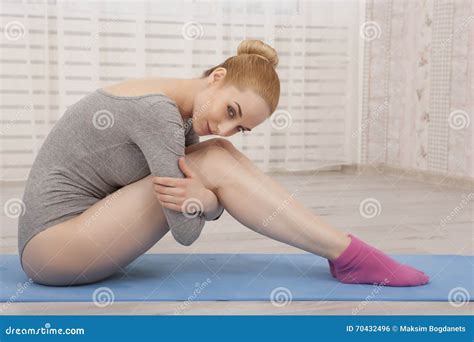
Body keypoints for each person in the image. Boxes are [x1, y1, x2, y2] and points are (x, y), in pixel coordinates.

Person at [18, 39, 429, 287]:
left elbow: (200, 196)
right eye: (232, 110)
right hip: (54, 250)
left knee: (219, 156)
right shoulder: (157, 113)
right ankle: (349, 255)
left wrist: (207, 198)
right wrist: (209, 201)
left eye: (240, 126)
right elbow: (186, 229)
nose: (225, 127)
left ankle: (345, 253)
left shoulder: (179, 114)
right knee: (215, 159)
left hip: (77, 235)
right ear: (216, 77)